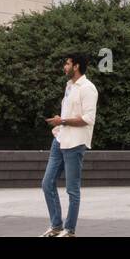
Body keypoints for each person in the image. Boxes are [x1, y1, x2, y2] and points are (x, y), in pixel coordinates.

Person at [41, 52, 98, 237]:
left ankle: (69, 230)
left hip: (75, 143)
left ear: (76, 66)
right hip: (59, 140)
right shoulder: (69, 86)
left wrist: (62, 120)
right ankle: (56, 225)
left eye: (67, 63)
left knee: (72, 190)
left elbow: (88, 119)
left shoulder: (88, 88)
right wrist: (60, 124)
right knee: (47, 183)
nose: (64, 67)